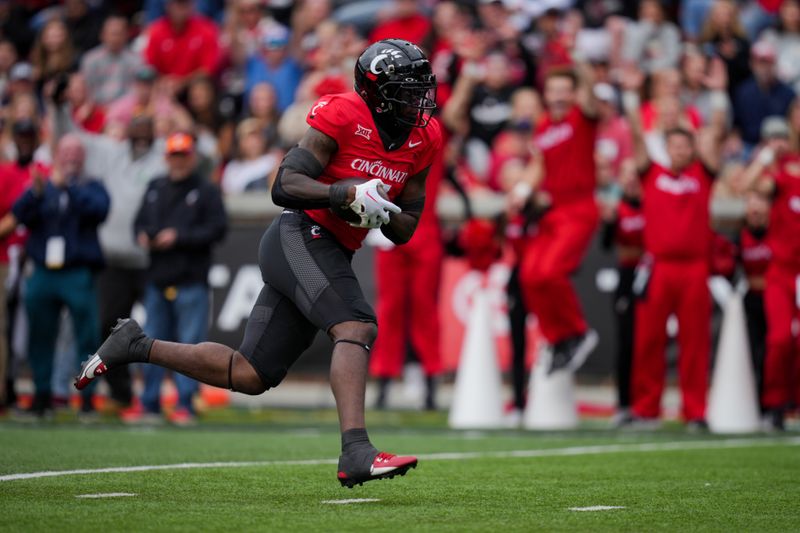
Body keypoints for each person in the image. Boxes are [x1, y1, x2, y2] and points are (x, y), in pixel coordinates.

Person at [76, 39, 440, 487]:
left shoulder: (424, 138)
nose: (418, 100)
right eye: (406, 90)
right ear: (377, 91)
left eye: (420, 88)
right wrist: (340, 192)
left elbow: (407, 228)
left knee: (250, 373)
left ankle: (134, 345)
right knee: (356, 325)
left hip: (332, 246)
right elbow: (284, 184)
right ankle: (356, 451)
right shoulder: (343, 114)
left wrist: (380, 209)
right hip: (299, 234)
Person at [620, 59, 727, 428]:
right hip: (659, 266)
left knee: (694, 343)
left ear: (693, 147)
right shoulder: (653, 172)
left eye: (687, 145)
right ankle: (646, 409)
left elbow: (717, 131)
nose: (682, 150)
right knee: (648, 341)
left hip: (695, 267)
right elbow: (636, 136)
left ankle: (695, 412)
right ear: (668, 148)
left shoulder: (704, 172)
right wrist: (632, 95)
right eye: (675, 145)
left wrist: (718, 94)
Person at [124, 132, 227, 425]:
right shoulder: (156, 186)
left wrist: (179, 237)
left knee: (190, 346)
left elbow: (217, 229)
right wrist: (143, 235)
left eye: (183, 155)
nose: (179, 161)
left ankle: (185, 403)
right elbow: (138, 222)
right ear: (167, 157)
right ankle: (149, 403)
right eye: (174, 155)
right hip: (158, 278)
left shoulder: (205, 190)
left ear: (192, 157)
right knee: (152, 342)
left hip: (190, 278)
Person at [12, 134, 110, 417]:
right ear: (57, 154)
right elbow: (19, 214)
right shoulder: (44, 186)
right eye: (66, 151)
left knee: (86, 336)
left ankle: (88, 398)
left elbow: (99, 211)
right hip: (44, 272)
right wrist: (36, 192)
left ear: (83, 157)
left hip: (77, 272)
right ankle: (42, 395)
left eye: (76, 152)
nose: (71, 157)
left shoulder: (91, 186)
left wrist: (69, 186)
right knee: (40, 335)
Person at [514, 62, 601, 373]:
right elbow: (538, 163)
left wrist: (579, 59)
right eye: (554, 90)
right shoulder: (543, 125)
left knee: (550, 272)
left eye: (565, 90)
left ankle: (578, 332)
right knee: (529, 274)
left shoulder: (583, 116)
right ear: (546, 94)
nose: (559, 96)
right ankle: (559, 339)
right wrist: (523, 188)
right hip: (552, 211)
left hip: (579, 208)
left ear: (574, 92)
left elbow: (591, 95)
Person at [738, 115, 800, 431]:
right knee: (778, 339)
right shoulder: (782, 172)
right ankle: (774, 405)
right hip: (783, 271)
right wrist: (765, 155)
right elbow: (746, 186)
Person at [0, 120, 48, 412]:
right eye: (21, 135)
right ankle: (5, 390)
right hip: (7, 257)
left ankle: (39, 391)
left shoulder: (43, 173)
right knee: (5, 328)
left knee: (33, 328)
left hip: (36, 258)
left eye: (30, 135)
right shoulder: (6, 173)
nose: (25, 140)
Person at [144, 0, 220, 83]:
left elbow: (208, 69)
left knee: (201, 87)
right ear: (168, 6)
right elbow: (150, 65)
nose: (180, 10)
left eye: (185, 4)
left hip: (193, 84)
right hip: (164, 85)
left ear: (192, 6)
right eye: (177, 4)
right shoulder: (156, 31)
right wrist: (164, 81)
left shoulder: (207, 30)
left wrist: (181, 82)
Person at [80, 15, 142, 106]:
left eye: (119, 34)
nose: (115, 38)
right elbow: (86, 90)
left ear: (126, 35)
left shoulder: (136, 60)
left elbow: (138, 90)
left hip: (126, 110)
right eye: (112, 34)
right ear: (102, 35)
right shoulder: (90, 59)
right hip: (96, 109)